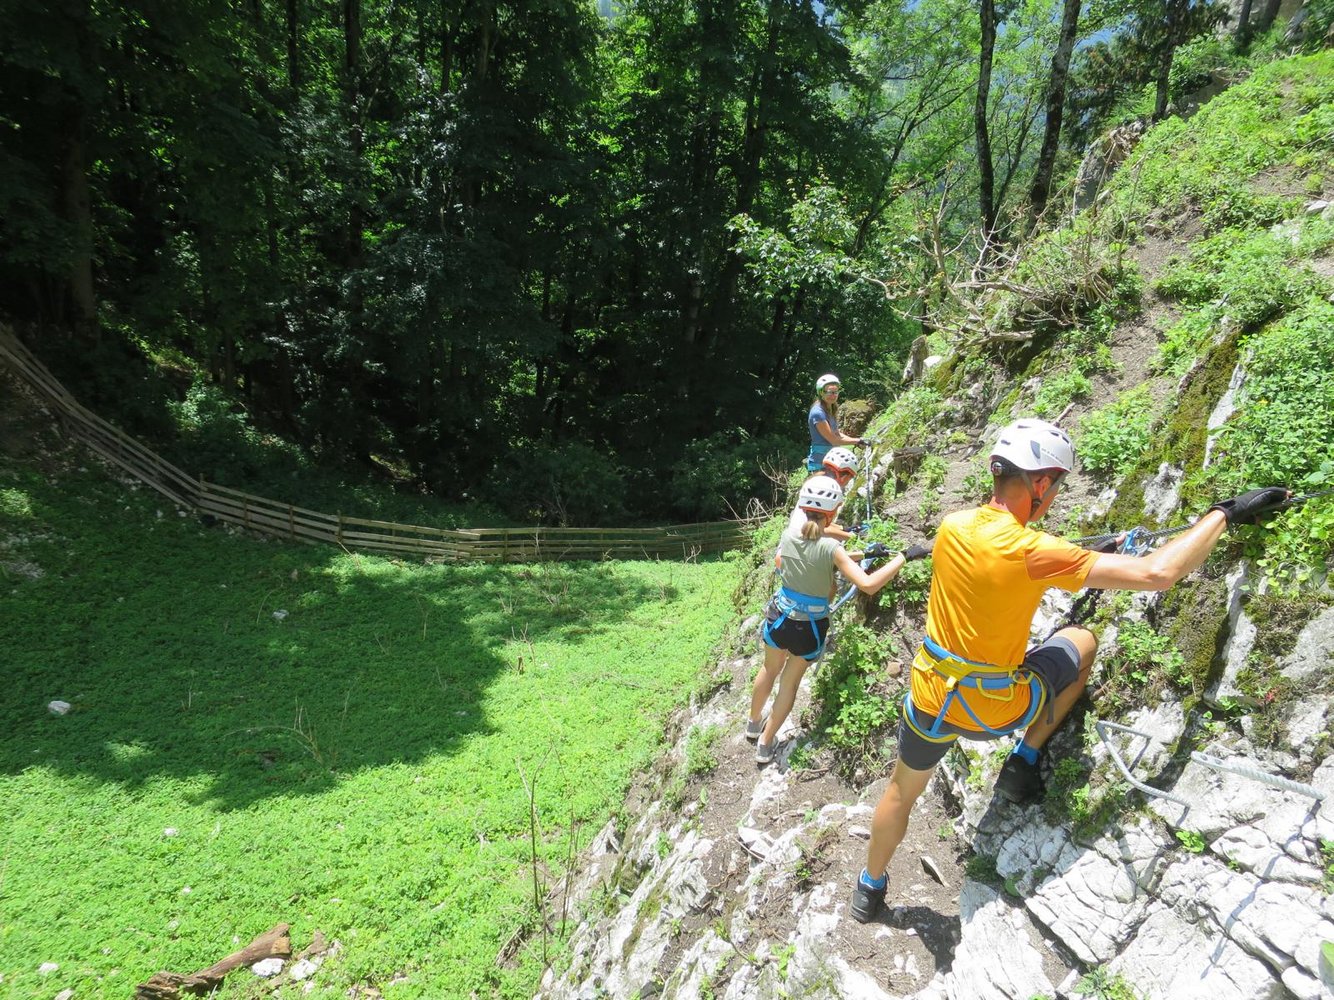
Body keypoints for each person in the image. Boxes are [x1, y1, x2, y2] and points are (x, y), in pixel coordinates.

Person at [848, 417, 1289, 923]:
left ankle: (869, 887)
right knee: (1082, 641)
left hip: (932, 698)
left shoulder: (953, 526)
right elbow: (1158, 573)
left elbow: (1015, 561)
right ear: (1039, 483)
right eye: (1056, 485)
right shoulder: (1034, 551)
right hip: (994, 708)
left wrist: (1086, 554)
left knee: (900, 792)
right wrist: (1224, 513)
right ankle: (1024, 758)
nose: (1055, 496)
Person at [749, 475, 933, 765]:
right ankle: (765, 743)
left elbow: (815, 555)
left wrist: (864, 553)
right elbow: (867, 584)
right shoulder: (831, 548)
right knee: (789, 684)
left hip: (778, 617)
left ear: (804, 508)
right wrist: (903, 557)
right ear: (832, 513)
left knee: (769, 669)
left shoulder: (788, 536)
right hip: (808, 628)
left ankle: (753, 723)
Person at [787, 446, 865, 543]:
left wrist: (844, 528)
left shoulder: (816, 482)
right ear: (844, 476)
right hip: (803, 542)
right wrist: (854, 537)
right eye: (850, 478)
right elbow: (821, 529)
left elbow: (819, 520)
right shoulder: (825, 490)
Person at [807, 374, 864, 473]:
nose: (833, 395)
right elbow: (833, 440)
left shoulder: (830, 408)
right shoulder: (818, 413)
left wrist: (859, 441)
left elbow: (836, 433)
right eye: (829, 392)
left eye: (835, 392)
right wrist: (857, 441)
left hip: (831, 461)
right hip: (820, 464)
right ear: (821, 392)